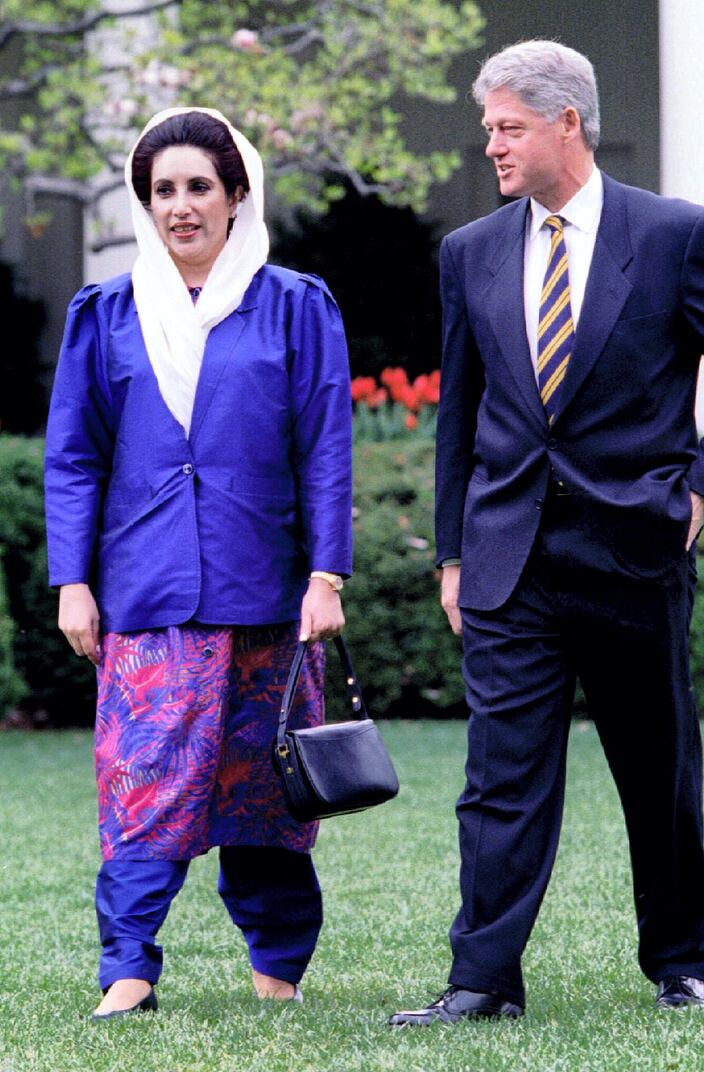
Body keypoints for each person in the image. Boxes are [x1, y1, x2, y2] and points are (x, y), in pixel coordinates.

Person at [389, 40, 704, 1027]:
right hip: (507, 559)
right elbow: (458, 416)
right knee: (497, 779)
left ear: (567, 123)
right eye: (488, 128)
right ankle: (481, 979)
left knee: (655, 770)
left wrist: (697, 496)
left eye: (507, 126)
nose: (491, 145)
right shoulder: (469, 252)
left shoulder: (672, 235)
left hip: (634, 551)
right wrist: (448, 551)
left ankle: (679, 963)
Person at [44, 107, 352, 1020]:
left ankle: (278, 968)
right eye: (163, 190)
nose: (182, 207)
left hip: (268, 591)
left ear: (236, 194)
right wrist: (73, 579)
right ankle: (128, 971)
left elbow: (326, 449)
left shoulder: (296, 304)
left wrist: (326, 575)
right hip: (146, 592)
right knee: (142, 785)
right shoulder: (103, 314)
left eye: (199, 187)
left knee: (268, 792)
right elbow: (74, 457)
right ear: (147, 203)